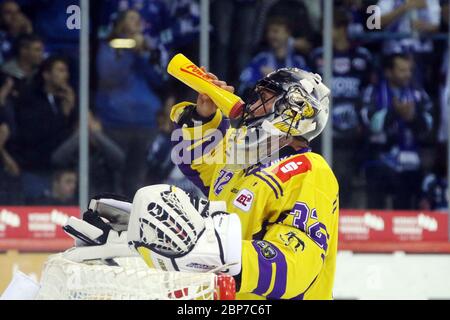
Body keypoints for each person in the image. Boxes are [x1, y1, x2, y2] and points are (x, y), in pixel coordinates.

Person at [65, 67, 339, 300]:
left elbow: (297, 263)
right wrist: (203, 116)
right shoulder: (244, 155)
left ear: (296, 113)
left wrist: (215, 253)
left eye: (265, 99)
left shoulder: (310, 172)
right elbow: (196, 160)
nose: (253, 103)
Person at [96, 9, 164, 198]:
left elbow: (160, 79)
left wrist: (143, 54)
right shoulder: (111, 46)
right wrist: (128, 53)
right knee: (113, 174)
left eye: (138, 19)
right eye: (131, 19)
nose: (137, 23)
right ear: (119, 23)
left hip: (146, 123)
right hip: (115, 121)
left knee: (138, 178)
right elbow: (110, 76)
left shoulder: (147, 46)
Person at [310, 8, 374, 208]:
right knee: (322, 175)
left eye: (330, 28)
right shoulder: (318, 56)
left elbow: (369, 90)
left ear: (342, 28)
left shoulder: (362, 57)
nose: (325, 33)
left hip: (352, 128)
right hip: (324, 127)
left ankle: (345, 216)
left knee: (345, 177)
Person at [362, 54, 433, 209]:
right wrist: (394, 112)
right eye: (402, 70)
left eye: (409, 70)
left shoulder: (418, 93)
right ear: (389, 72)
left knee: (406, 206)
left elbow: (429, 124)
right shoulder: (374, 92)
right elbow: (370, 122)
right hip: (379, 159)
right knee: (376, 204)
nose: (407, 74)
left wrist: (413, 117)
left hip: (410, 164)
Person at [8, 56, 76, 200]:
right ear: (46, 75)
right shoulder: (30, 98)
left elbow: (68, 135)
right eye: (60, 70)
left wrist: (69, 112)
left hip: (59, 169)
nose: (66, 75)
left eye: (66, 71)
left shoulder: (64, 100)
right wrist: (62, 116)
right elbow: (35, 132)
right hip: (34, 167)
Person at [238, 16, 309, 98]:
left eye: (275, 31)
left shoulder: (298, 61)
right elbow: (243, 88)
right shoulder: (260, 59)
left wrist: (277, 77)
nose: (270, 35)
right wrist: (261, 81)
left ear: (287, 34)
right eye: (269, 32)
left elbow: (309, 87)